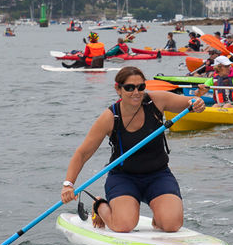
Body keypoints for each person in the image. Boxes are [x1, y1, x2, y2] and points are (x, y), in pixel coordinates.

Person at [59, 66, 205, 233]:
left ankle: (161, 217)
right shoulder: (109, 117)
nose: (136, 92)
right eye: (129, 88)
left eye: (141, 87)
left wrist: (196, 102)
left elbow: (187, 103)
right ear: (118, 89)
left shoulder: (156, 100)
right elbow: (83, 153)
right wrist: (68, 184)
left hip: (158, 175)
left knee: (172, 225)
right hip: (124, 178)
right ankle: (99, 205)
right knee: (123, 226)